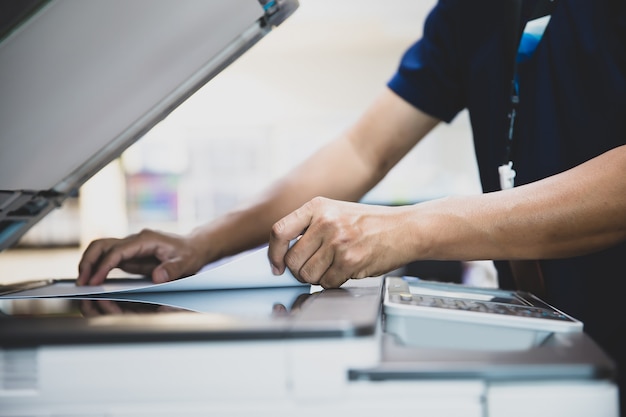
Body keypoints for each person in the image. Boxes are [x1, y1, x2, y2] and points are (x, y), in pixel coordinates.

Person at [77, 0, 626, 413]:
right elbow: (363, 149)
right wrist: (201, 241)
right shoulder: (470, 14)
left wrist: (415, 227)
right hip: (562, 356)